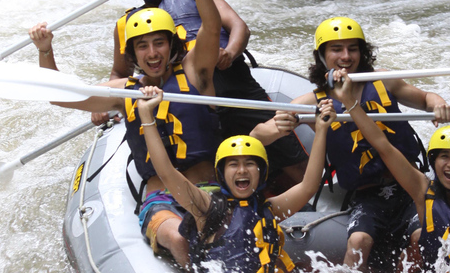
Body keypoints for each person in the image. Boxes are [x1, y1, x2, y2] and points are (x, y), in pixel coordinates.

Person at [30, 0, 221, 266]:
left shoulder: (195, 72)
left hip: (209, 189)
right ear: (133, 54)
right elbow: (60, 95)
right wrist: (46, 51)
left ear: (171, 45)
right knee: (179, 237)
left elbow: (212, 28)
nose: (152, 52)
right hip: (161, 200)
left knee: (220, 233)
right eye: (142, 46)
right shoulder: (125, 92)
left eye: (159, 42)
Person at [252, 16, 450, 271]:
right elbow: (258, 136)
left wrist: (439, 104)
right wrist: (276, 128)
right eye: (336, 49)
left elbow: (426, 98)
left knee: (420, 238)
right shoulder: (309, 104)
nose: (346, 56)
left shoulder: (384, 80)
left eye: (353, 48)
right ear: (322, 56)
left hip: (410, 185)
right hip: (366, 194)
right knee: (358, 241)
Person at [113, 0, 309, 192]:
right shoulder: (128, 23)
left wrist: (229, 52)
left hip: (235, 86)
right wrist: (104, 111)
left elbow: (239, 27)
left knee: (293, 162)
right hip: (193, 103)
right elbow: (120, 74)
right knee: (225, 167)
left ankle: (311, 199)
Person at [333, 58, 450, 272]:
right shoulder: (422, 190)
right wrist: (350, 103)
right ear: (433, 160)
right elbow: (383, 146)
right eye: (444, 157)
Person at [136, 83, 336, 272]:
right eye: (233, 164)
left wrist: (321, 131)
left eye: (250, 163)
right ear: (222, 175)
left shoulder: (269, 210)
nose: (242, 170)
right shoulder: (205, 208)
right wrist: (147, 117)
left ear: (261, 172)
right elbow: (166, 172)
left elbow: (309, 186)